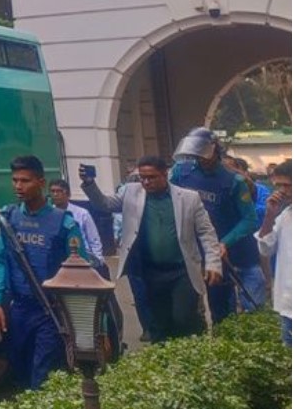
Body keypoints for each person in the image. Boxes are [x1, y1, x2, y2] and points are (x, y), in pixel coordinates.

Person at [80, 156, 222, 343]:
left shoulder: (189, 198)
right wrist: (89, 183)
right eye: (143, 177)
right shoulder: (130, 192)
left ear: (165, 174)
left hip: (183, 271)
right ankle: (163, 355)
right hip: (150, 271)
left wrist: (213, 263)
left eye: (152, 177)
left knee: (183, 318)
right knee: (159, 322)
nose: (146, 182)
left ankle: (194, 347)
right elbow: (104, 204)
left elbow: (206, 232)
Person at [0, 155, 89, 390]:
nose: (18, 186)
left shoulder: (64, 223)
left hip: (50, 312)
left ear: (41, 182)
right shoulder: (9, 219)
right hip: (19, 310)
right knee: (19, 374)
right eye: (15, 180)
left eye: (25, 181)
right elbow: (0, 262)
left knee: (41, 377)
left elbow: (81, 272)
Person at [171, 128, 260, 319]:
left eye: (204, 152)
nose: (200, 158)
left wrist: (225, 242)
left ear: (215, 150)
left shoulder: (234, 181)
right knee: (189, 307)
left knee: (223, 306)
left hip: (224, 251)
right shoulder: (181, 173)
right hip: (190, 249)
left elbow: (250, 220)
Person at [257, 160, 291, 346]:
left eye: (287, 185)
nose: (282, 191)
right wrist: (269, 215)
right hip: (288, 304)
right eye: (278, 186)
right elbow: (265, 248)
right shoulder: (285, 215)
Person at [49, 179, 106, 273]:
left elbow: (94, 239)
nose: (55, 194)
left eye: (59, 191)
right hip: (59, 260)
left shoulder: (82, 213)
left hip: (83, 258)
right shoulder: (49, 214)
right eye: (52, 191)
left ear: (68, 194)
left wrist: (98, 260)